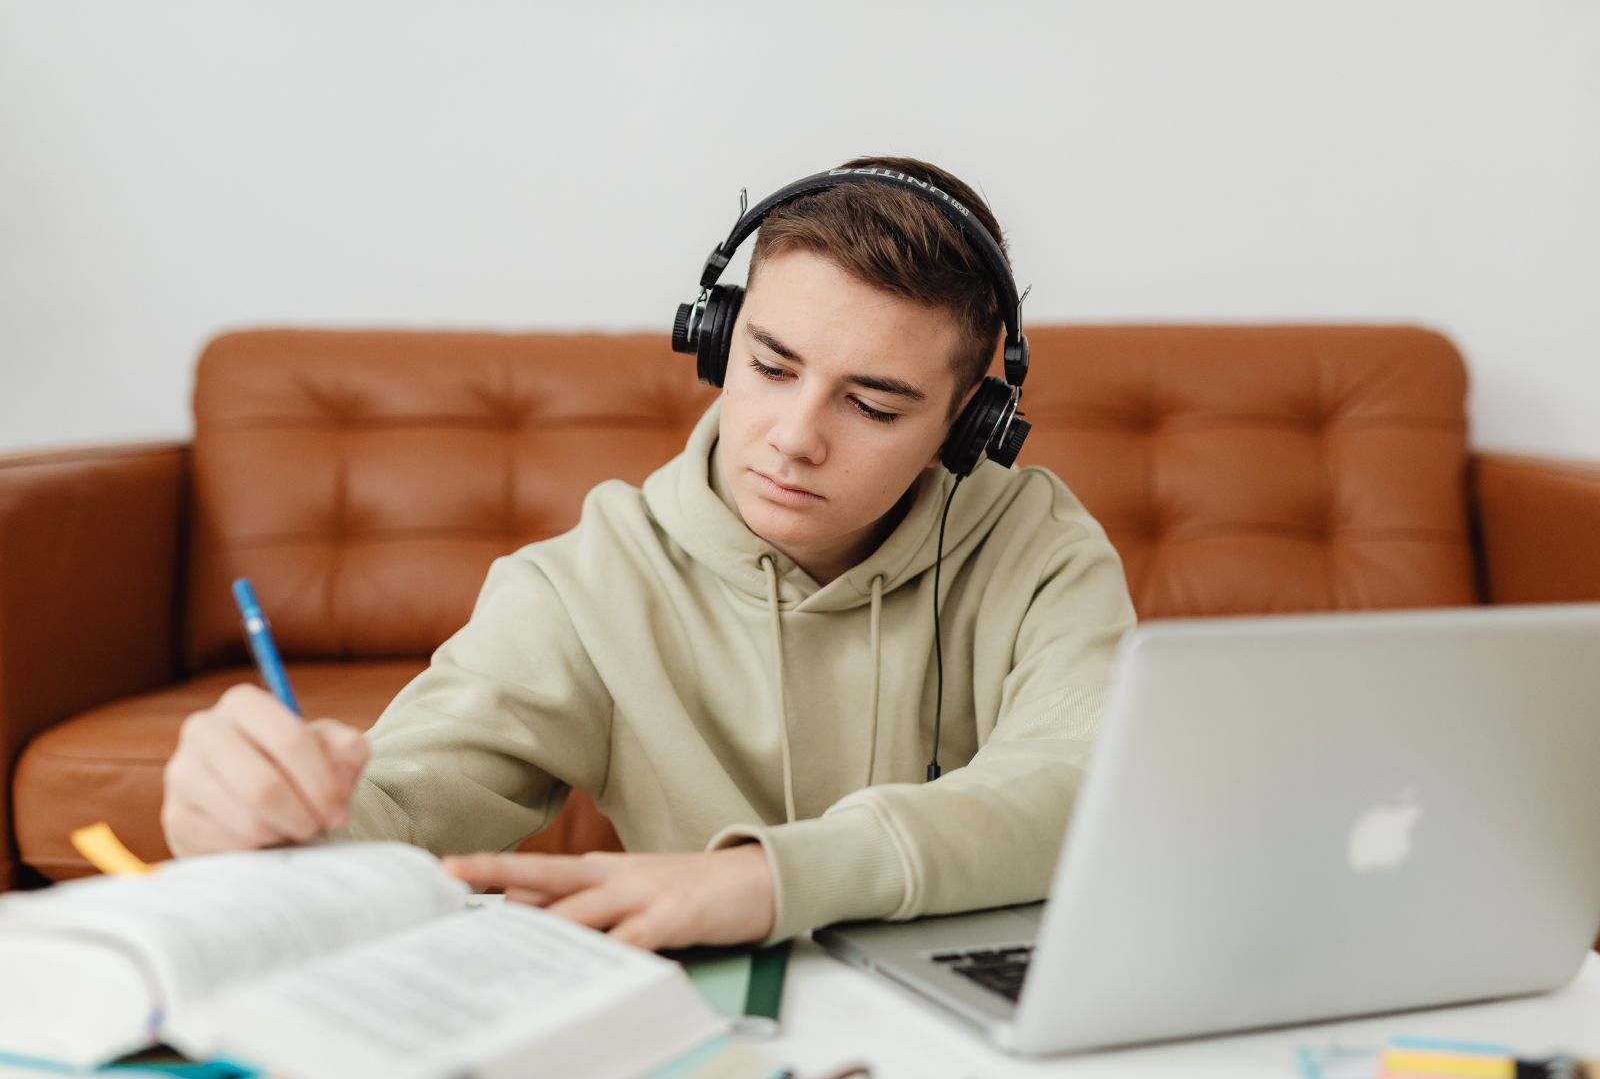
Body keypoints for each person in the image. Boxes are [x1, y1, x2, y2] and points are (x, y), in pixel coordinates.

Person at [160, 155, 1138, 951]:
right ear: (714, 339)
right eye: (768, 365)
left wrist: (765, 880)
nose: (794, 437)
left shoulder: (1042, 549)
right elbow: (401, 802)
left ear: (970, 423)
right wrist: (268, 816)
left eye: (873, 404)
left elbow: (1084, 780)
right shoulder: (586, 582)